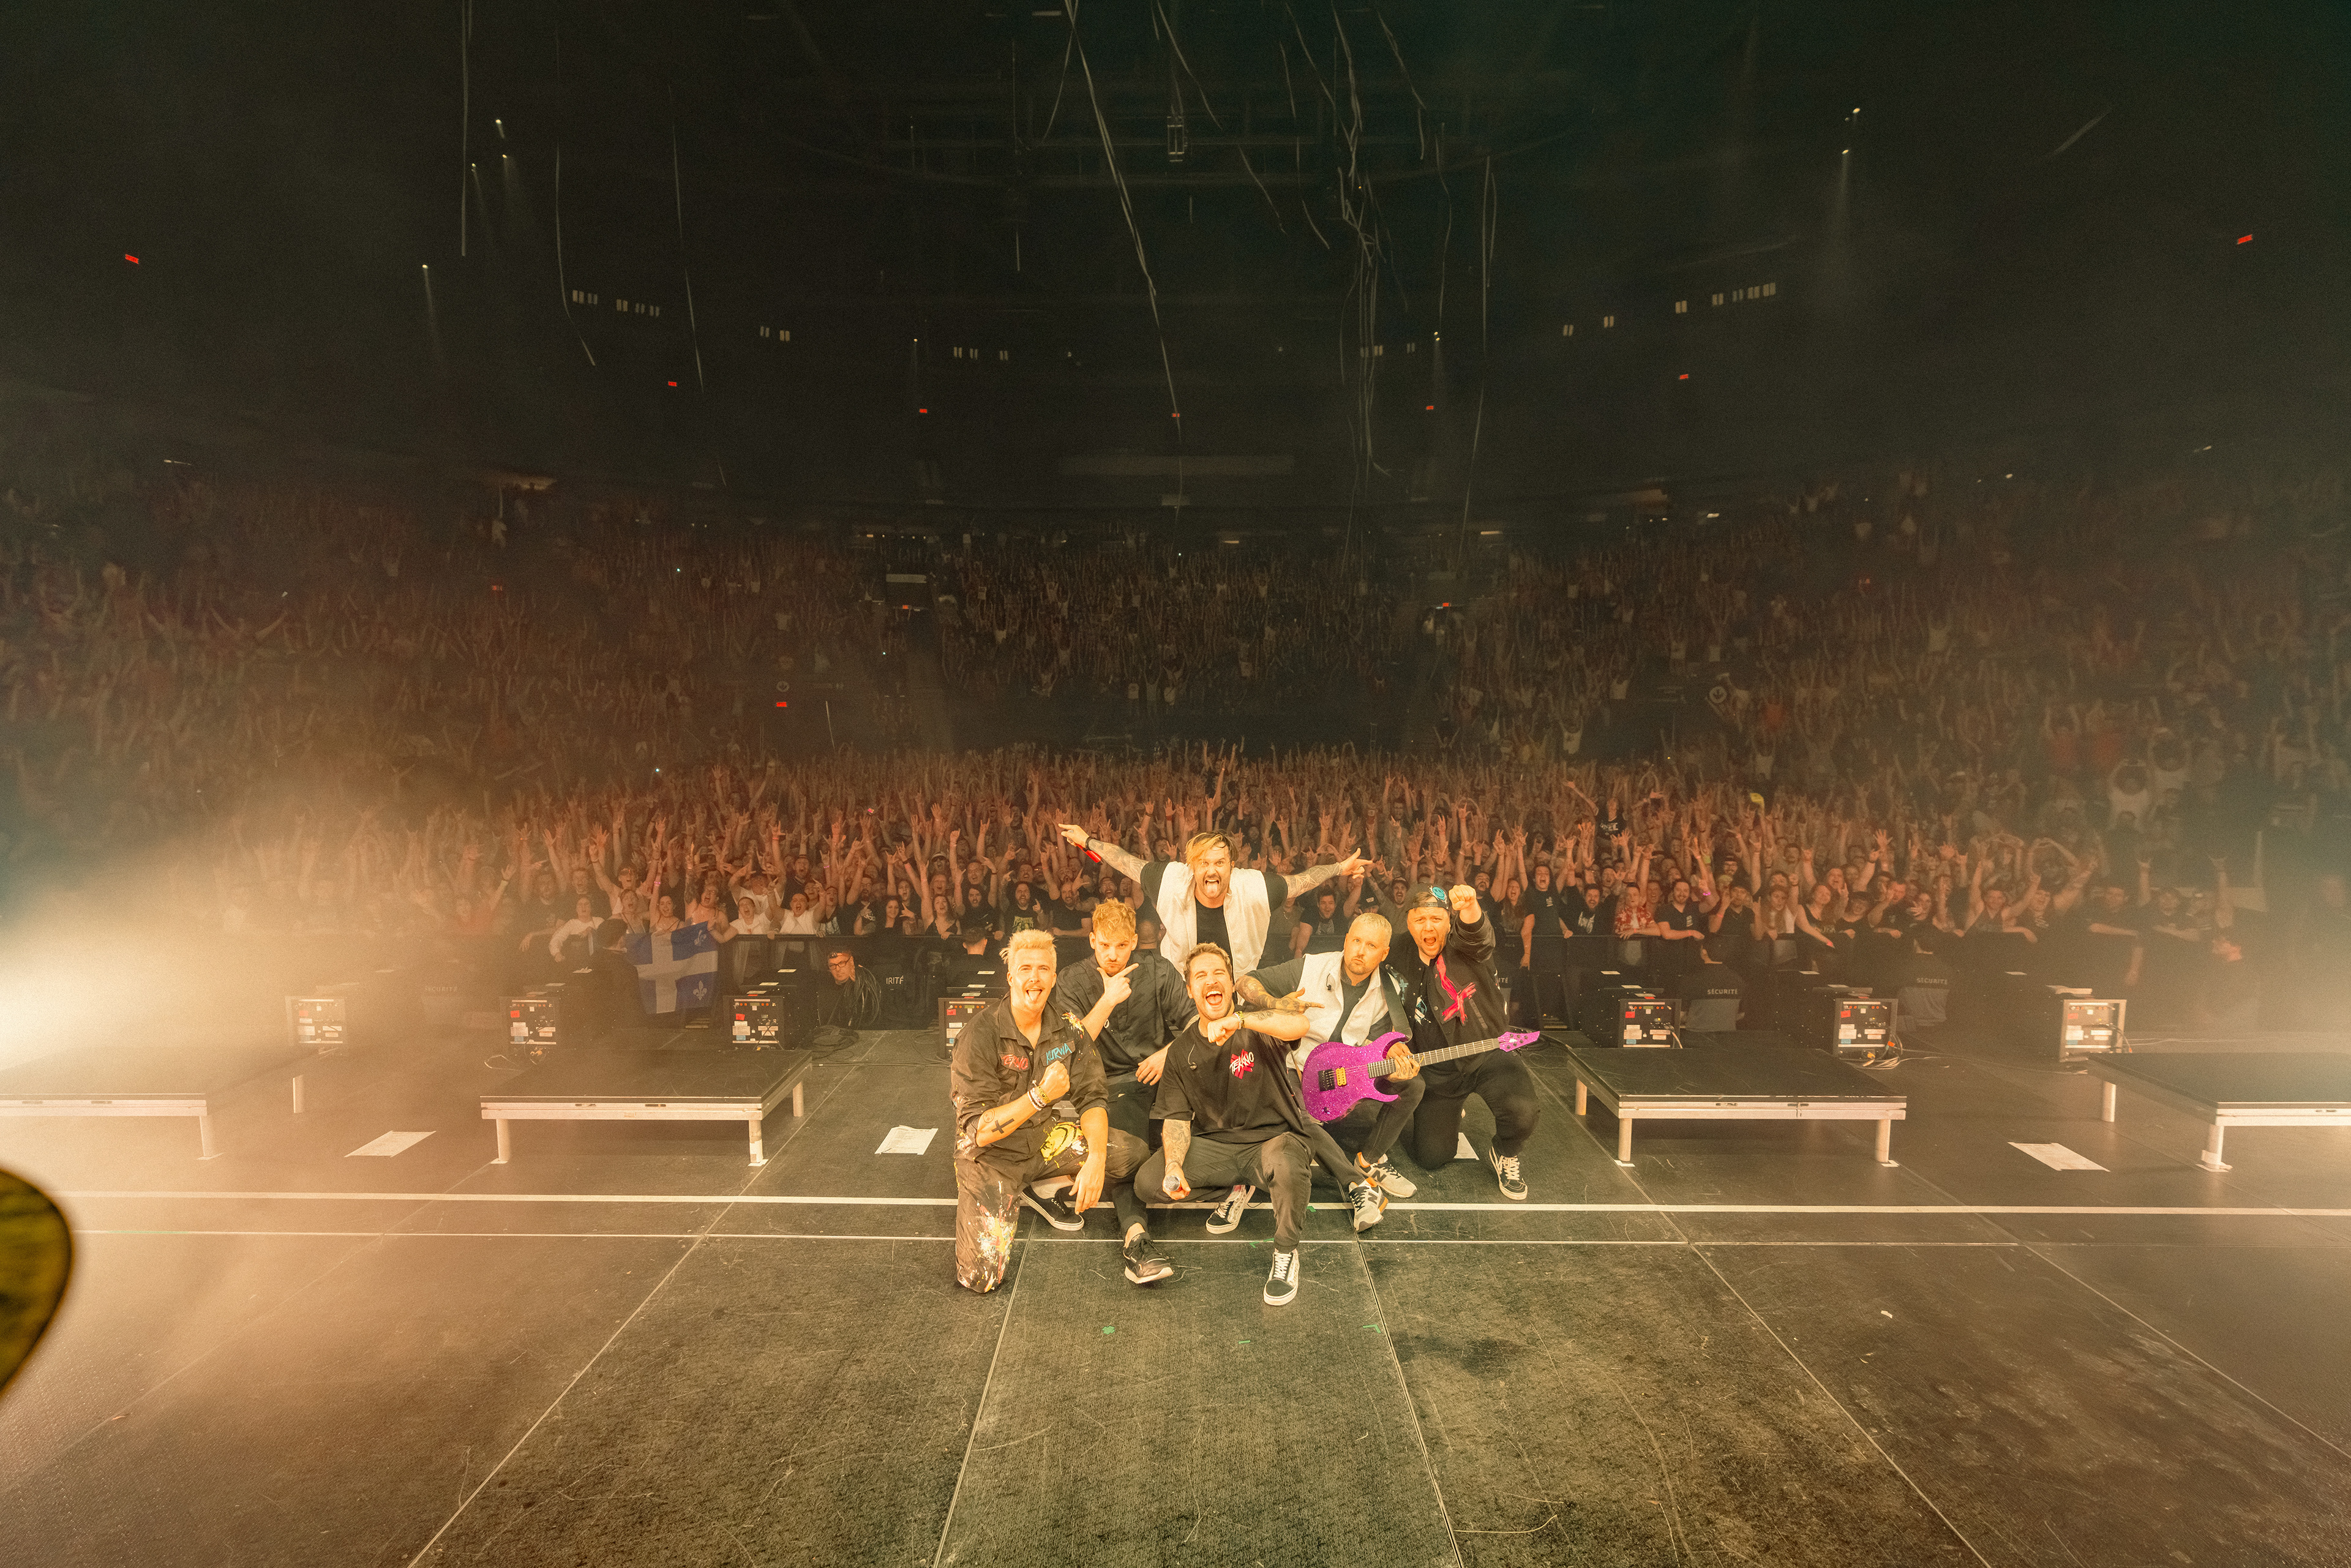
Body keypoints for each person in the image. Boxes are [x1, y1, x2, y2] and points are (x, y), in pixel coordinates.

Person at [1131, 943, 1387, 1306]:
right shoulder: (1181, 1051)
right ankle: (1236, 1188)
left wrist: (1240, 1020)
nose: (1211, 981)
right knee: (1148, 1182)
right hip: (1219, 1147)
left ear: (1231, 982)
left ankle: (1285, 1253)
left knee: (1286, 1164)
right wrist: (1173, 1164)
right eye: (1201, 976)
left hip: (1273, 1140)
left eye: (1219, 973)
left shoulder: (1256, 1023)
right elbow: (1175, 1118)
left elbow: (1298, 1024)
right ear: (1190, 991)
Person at [949, 931, 1154, 1293]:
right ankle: (1021, 1185)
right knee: (981, 1278)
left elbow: (1092, 1097)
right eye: (1025, 969)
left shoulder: (1068, 1027)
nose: (1035, 977)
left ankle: (1041, 1184)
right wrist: (1040, 1096)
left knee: (1133, 1154)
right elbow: (979, 1130)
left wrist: (1095, 1161)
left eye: (1043, 969)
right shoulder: (979, 1034)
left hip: (1044, 1140)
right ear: (1010, 977)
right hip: (992, 1156)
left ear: (1054, 977)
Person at [1372, 881, 1539, 1199]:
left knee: (1522, 1112)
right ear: (1408, 921)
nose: (1428, 927)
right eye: (1420, 919)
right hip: (1437, 1069)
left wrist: (1471, 907)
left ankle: (1505, 1151)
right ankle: (1450, 1113)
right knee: (1432, 1158)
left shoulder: (1463, 944)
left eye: (1437, 919)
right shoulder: (1395, 953)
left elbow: (1479, 935)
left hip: (1487, 1054)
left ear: (1449, 921)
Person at [1242, 910, 1425, 1197]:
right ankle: (1353, 1182)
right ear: (1346, 940)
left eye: (1371, 946)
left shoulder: (1388, 991)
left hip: (1346, 1073)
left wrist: (1392, 1066)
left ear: (1384, 953)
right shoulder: (1311, 967)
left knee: (1414, 1085)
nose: (1360, 951)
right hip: (1297, 1066)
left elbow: (1373, 1049)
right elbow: (1246, 981)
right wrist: (1275, 1003)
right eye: (1357, 941)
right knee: (1295, 1119)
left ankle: (1370, 1159)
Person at [1060, 823, 1363, 979]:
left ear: (1232, 865)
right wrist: (1088, 841)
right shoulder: (1171, 879)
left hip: (1236, 985)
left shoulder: (1254, 886)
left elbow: (1302, 881)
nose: (1211, 870)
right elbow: (1125, 862)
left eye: (1219, 863)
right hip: (1183, 986)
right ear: (1191, 866)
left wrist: (1340, 868)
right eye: (1203, 863)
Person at [818, 945, 882, 1033]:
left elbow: (872, 1013)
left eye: (841, 963)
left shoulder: (865, 986)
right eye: (833, 965)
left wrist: (861, 984)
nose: (838, 969)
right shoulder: (826, 991)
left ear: (851, 961)